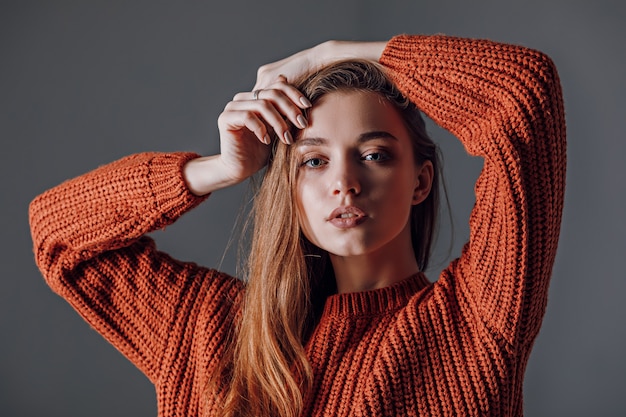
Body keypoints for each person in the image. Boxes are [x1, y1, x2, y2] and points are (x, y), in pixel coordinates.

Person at [29, 34, 566, 417]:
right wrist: (221, 168)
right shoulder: (214, 329)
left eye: (375, 155)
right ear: (287, 187)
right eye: (313, 161)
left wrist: (333, 53)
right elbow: (58, 233)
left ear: (420, 182)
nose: (345, 183)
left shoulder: (475, 317)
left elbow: (524, 94)